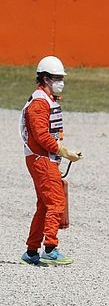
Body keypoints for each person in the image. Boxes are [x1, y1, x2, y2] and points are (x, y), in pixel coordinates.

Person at [18, 56, 82, 266]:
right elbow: (41, 136)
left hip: (44, 158)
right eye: (57, 78)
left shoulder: (46, 100)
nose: (61, 82)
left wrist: (60, 153)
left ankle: (31, 251)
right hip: (41, 159)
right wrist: (64, 152)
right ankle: (50, 248)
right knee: (56, 202)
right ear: (45, 79)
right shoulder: (39, 103)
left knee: (44, 205)